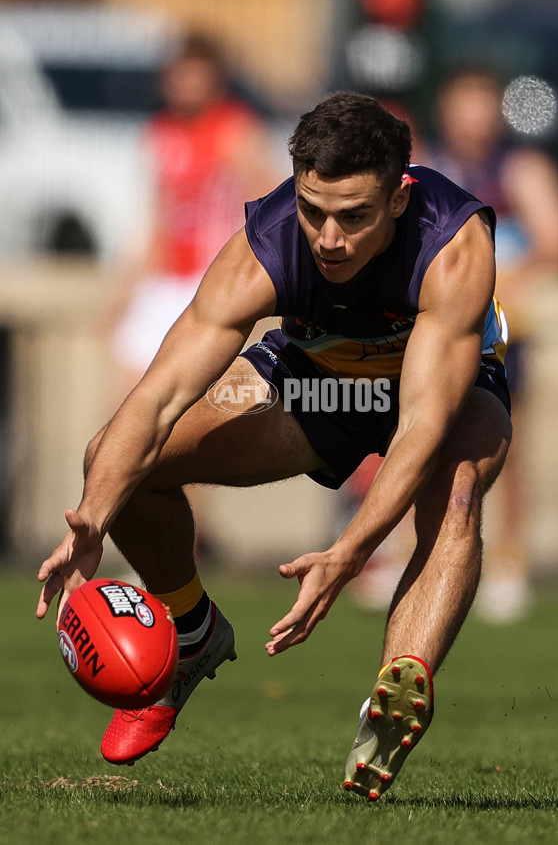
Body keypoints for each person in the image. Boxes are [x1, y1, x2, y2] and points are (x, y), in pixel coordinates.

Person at [36, 92, 512, 802]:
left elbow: (418, 425)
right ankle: (192, 632)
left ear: (400, 198)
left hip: (441, 393)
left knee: (455, 495)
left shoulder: (453, 243)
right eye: (313, 210)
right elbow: (159, 397)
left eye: (354, 216)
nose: (328, 238)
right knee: (120, 456)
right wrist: (94, 518)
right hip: (317, 383)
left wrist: (350, 551)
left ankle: (395, 689)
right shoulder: (263, 245)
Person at [426, 64, 558, 622]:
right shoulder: (428, 165)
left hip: (502, 325)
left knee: (503, 448)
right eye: (462, 104)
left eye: (482, 105)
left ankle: (509, 565)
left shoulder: (520, 168)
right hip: (440, 325)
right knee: (423, 440)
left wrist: (503, 280)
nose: (472, 118)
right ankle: (415, 558)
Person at [104, 33, 280, 402]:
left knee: (196, 400)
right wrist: (124, 291)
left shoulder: (232, 130)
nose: (186, 84)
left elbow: (273, 202)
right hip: (165, 279)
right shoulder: (160, 133)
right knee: (125, 397)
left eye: (196, 75)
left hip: (209, 279)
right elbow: (156, 221)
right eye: (180, 74)